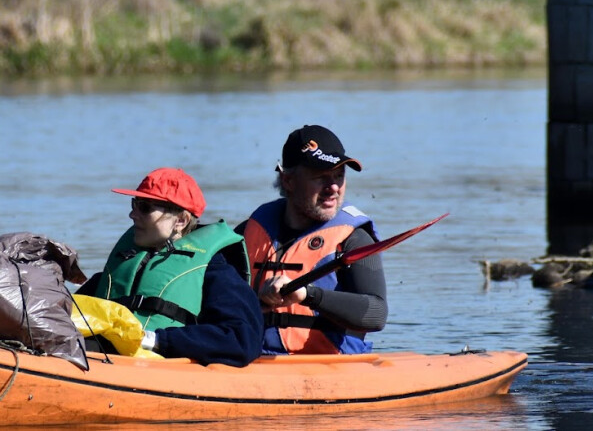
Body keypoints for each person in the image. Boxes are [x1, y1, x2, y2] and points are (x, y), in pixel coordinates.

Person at [75, 167, 263, 367]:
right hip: (106, 358)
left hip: (159, 367)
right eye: (134, 204)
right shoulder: (121, 266)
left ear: (180, 221)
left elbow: (243, 339)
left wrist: (155, 340)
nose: (132, 214)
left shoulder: (215, 272)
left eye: (145, 207)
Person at [235, 125, 387, 355]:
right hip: (254, 362)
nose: (334, 187)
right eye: (321, 177)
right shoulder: (248, 232)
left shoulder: (355, 239)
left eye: (339, 176)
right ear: (288, 181)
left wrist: (308, 295)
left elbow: (376, 314)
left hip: (331, 367)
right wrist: (254, 300)